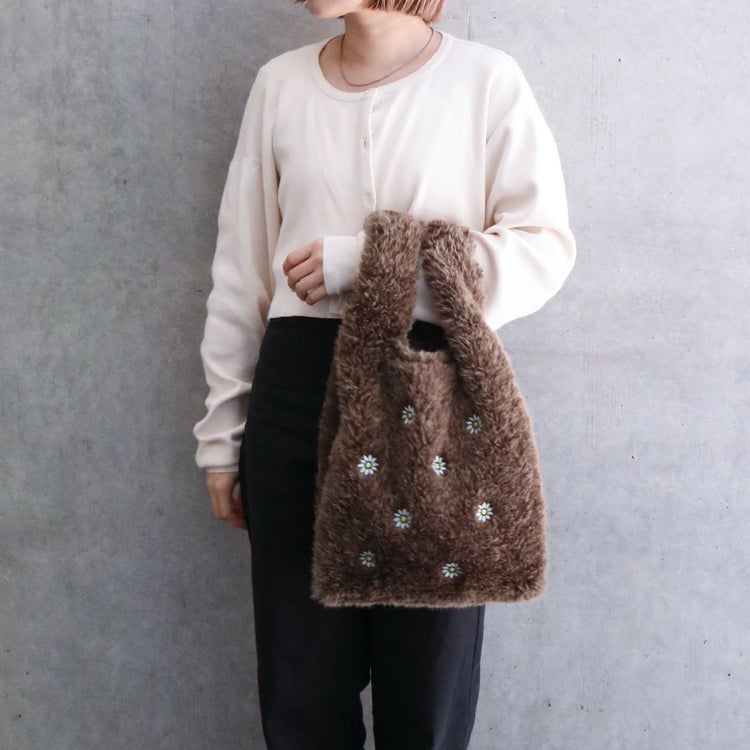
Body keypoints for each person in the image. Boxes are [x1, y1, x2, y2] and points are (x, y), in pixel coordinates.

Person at [193, 1, 576, 747]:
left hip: (433, 397)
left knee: (426, 691)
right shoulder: (280, 85)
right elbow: (241, 276)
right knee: (301, 689)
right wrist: (221, 437)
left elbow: (542, 248)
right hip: (297, 397)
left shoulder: (485, 80)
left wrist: (374, 263)